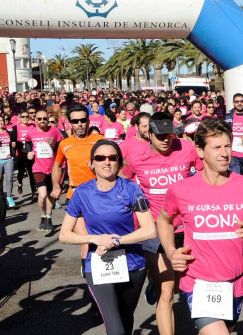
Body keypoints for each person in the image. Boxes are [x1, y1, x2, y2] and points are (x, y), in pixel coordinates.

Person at [157, 117, 243, 335]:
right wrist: (171, 251)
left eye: (227, 146)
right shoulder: (181, 190)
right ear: (200, 151)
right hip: (198, 283)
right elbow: (164, 220)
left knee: (226, 330)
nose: (224, 153)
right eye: (216, 147)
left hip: (235, 283)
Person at [59, 140, 156, 335]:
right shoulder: (82, 193)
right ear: (91, 163)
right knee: (116, 329)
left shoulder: (131, 189)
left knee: (126, 319)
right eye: (100, 158)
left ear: (119, 163)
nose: (107, 162)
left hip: (133, 263)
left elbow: (149, 231)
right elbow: (64, 235)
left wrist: (115, 240)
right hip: (99, 264)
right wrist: (95, 239)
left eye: (113, 158)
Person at [123, 112, 203, 335]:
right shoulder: (137, 157)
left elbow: (206, 174)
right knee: (166, 291)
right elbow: (121, 182)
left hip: (187, 229)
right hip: (156, 232)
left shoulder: (186, 148)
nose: (166, 140)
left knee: (183, 286)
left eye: (169, 134)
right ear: (149, 134)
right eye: (160, 136)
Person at [51, 104, 105, 275]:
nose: (80, 124)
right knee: (86, 242)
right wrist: (56, 185)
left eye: (83, 120)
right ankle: (90, 273)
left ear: (88, 121)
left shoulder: (101, 141)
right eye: (76, 121)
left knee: (103, 240)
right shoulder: (65, 144)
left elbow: (116, 164)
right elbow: (57, 165)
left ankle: (106, 274)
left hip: (101, 196)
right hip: (76, 196)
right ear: (69, 123)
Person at [26, 109, 63, 232]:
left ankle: (49, 217)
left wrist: (53, 144)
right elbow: (27, 143)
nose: (42, 121)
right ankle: (43, 215)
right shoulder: (31, 132)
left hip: (53, 168)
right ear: (35, 120)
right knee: (42, 194)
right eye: (39, 119)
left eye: (45, 118)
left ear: (48, 119)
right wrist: (29, 153)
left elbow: (61, 146)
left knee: (51, 195)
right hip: (38, 168)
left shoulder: (54, 130)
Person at [225, 93, 243, 175]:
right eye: (237, 101)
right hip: (233, 154)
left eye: (241, 101)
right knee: (235, 177)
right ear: (233, 103)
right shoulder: (228, 117)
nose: (239, 103)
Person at [12, 109, 37, 197]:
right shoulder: (16, 127)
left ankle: (34, 192)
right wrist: (18, 145)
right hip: (20, 154)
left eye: (27, 116)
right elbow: (13, 141)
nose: (26, 118)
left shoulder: (33, 126)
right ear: (20, 118)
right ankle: (19, 183)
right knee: (21, 171)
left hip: (30, 153)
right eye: (23, 117)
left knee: (31, 172)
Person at [0, 115, 15, 208]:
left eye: (2, 120)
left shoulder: (9, 131)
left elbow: (13, 143)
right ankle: (1, 199)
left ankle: (9, 197)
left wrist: (13, 145)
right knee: (0, 180)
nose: (1, 122)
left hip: (9, 158)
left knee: (9, 178)